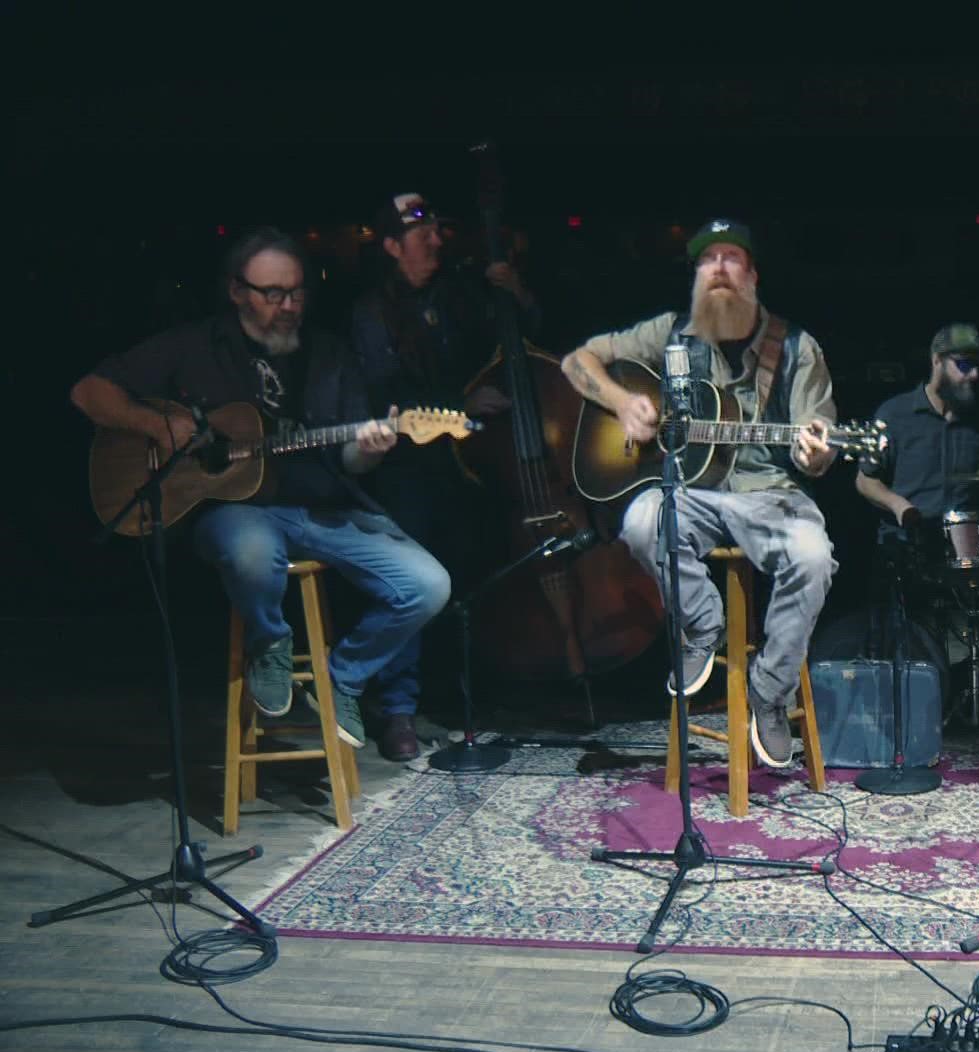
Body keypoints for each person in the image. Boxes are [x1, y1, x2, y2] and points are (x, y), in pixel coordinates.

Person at [71, 227, 451, 749]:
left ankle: (340, 679)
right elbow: (88, 392)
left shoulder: (331, 354)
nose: (288, 305)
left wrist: (370, 447)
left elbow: (352, 463)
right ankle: (268, 639)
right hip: (237, 513)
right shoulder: (194, 345)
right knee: (251, 549)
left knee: (428, 584)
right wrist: (157, 425)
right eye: (272, 294)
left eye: (296, 292)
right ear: (237, 291)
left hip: (325, 511)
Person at [558, 219, 840, 768]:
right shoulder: (669, 332)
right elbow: (576, 362)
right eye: (706, 261)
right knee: (641, 520)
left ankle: (770, 692)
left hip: (771, 494)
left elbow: (818, 438)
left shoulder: (798, 348)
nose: (718, 269)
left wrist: (818, 452)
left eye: (731, 258)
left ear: (752, 275)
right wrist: (620, 402)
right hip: (691, 494)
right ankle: (701, 626)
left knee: (814, 558)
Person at [349, 192, 539, 760]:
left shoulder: (459, 294)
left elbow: (519, 343)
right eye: (420, 232)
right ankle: (397, 709)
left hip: (471, 463)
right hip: (408, 467)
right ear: (390, 246)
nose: (435, 239)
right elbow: (384, 394)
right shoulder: (370, 313)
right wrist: (460, 400)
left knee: (473, 567)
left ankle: (468, 692)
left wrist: (515, 293)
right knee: (410, 581)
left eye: (436, 229)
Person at [855, 323, 979, 731]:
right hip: (908, 541)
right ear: (936, 362)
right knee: (909, 611)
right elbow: (864, 479)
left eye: (977, 367)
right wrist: (897, 504)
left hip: (961, 542)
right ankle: (914, 695)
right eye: (963, 365)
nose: (973, 375)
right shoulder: (894, 414)